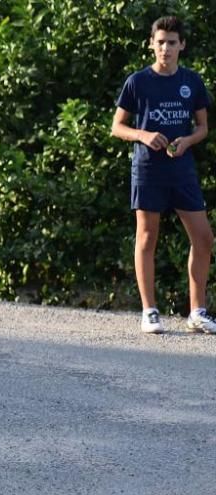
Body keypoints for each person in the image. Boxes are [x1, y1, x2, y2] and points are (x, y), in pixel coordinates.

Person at [111, 15, 216, 335]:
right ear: (151, 45)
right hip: (148, 169)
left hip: (181, 170)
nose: (166, 48)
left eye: (172, 42)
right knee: (147, 237)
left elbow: (202, 128)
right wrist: (143, 135)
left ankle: (197, 312)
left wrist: (187, 140)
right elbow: (117, 127)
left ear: (181, 45)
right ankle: (149, 311)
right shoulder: (137, 82)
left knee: (203, 237)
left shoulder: (192, 82)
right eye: (160, 42)